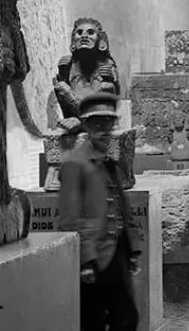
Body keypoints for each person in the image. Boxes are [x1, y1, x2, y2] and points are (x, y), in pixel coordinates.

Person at [55, 93, 142, 331]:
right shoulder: (75, 163)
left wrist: (132, 247)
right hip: (96, 253)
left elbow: (122, 203)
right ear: (88, 126)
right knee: (93, 319)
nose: (105, 130)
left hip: (117, 250)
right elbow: (70, 217)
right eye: (98, 124)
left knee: (125, 317)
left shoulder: (108, 159)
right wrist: (85, 261)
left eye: (108, 124)